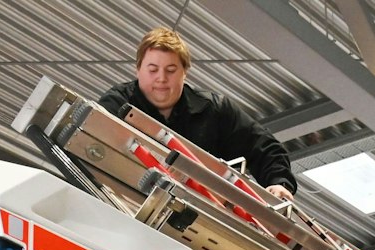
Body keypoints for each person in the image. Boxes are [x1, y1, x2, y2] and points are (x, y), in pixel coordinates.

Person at [99, 27, 298, 201]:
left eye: (170, 70)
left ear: (185, 72)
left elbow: (264, 147)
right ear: (138, 70)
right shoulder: (116, 105)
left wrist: (279, 183)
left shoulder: (214, 110)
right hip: (125, 204)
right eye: (152, 70)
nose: (161, 78)